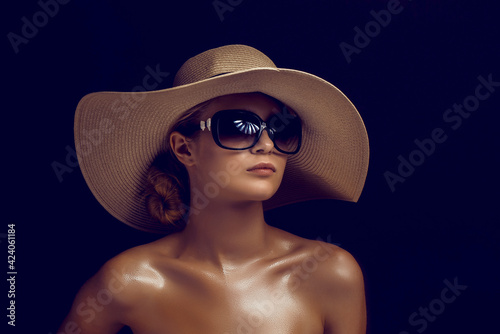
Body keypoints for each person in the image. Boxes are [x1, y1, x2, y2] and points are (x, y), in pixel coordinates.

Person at [59, 44, 369, 334]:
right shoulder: (129, 282)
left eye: (281, 128)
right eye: (237, 126)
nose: (266, 144)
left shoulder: (330, 273)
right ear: (184, 149)